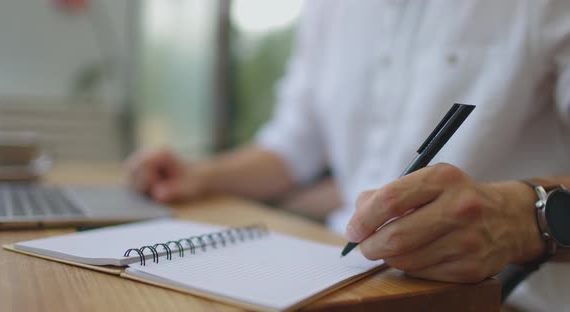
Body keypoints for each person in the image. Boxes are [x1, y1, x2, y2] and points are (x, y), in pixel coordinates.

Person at [127, 1, 570, 310]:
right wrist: (202, 175)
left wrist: (522, 219)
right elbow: (291, 146)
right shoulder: (328, 8)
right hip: (341, 277)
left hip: (504, 298)